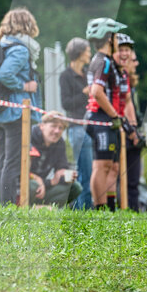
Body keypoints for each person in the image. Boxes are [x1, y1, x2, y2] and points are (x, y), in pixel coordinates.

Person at [0, 8, 42, 206]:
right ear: (28, 25)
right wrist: (24, 86)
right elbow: (5, 74)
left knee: (3, 161)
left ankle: (1, 205)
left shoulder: (3, 46)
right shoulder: (20, 49)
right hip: (15, 112)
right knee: (12, 162)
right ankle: (8, 206)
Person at [83, 17, 128, 210]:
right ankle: (99, 208)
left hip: (106, 119)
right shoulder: (103, 62)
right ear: (109, 38)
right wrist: (114, 115)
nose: (118, 41)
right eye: (116, 37)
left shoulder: (106, 61)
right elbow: (96, 92)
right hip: (100, 118)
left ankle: (110, 206)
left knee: (112, 166)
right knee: (101, 166)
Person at [59, 37, 93, 209]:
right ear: (79, 53)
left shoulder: (88, 74)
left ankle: (85, 210)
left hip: (91, 127)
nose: (89, 54)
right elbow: (66, 103)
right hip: (77, 128)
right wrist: (84, 93)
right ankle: (84, 211)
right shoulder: (65, 76)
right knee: (84, 174)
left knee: (89, 173)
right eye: (87, 51)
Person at [28, 111, 81, 208]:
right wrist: (39, 180)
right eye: (53, 126)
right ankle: (25, 208)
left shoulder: (60, 143)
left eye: (61, 128)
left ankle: (46, 208)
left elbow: (61, 168)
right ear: (42, 126)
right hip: (27, 183)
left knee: (75, 187)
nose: (57, 131)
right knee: (33, 185)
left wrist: (66, 174)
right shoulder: (29, 137)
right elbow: (18, 170)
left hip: (44, 186)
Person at [116, 34, 144, 211]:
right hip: (120, 130)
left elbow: (130, 106)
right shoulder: (114, 75)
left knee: (133, 179)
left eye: (129, 51)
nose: (135, 62)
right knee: (119, 177)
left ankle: (133, 211)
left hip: (131, 130)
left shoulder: (129, 80)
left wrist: (135, 130)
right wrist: (130, 130)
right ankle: (123, 209)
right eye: (122, 50)